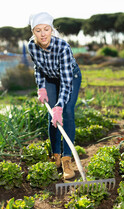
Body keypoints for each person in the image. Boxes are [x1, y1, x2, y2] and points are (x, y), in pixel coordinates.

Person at [28, 12, 82, 180]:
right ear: (33, 32)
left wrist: (60, 104)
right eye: (38, 30)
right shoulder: (31, 46)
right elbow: (38, 68)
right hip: (50, 79)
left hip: (70, 77)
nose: (43, 34)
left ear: (52, 30)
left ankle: (67, 159)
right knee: (52, 115)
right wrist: (41, 87)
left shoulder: (63, 47)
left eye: (46, 29)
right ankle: (55, 155)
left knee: (65, 112)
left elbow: (66, 82)